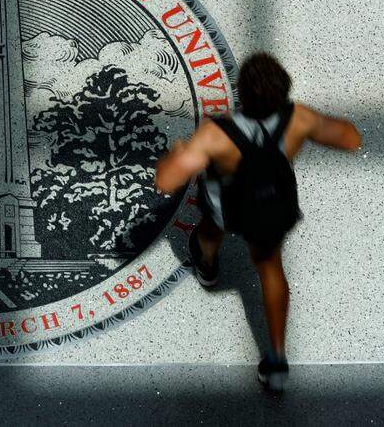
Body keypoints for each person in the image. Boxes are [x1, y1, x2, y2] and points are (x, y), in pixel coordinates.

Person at [154, 52, 361, 392]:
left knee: (210, 229)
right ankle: (276, 360)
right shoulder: (299, 119)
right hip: (272, 209)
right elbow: (351, 139)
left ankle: (208, 264)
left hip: (228, 208)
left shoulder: (216, 135)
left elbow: (166, 181)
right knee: (271, 269)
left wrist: (176, 153)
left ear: (242, 92)